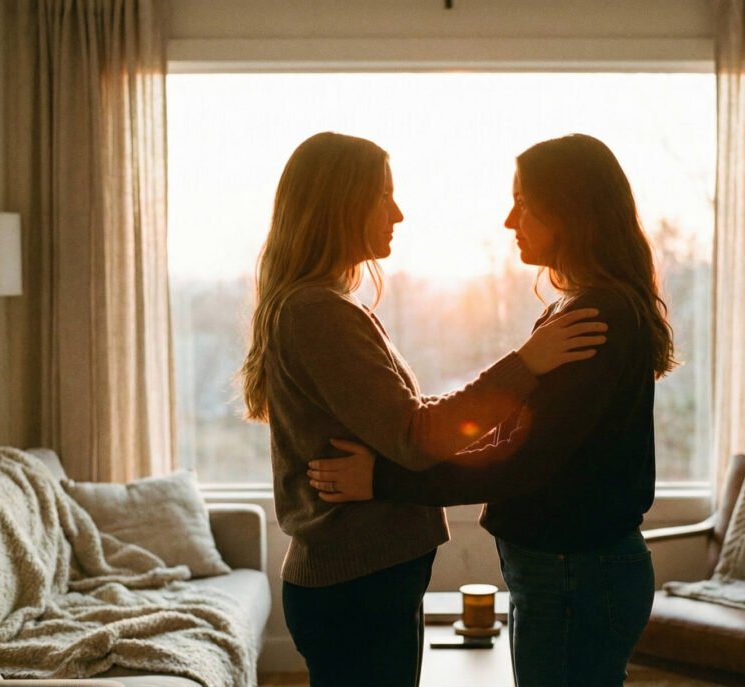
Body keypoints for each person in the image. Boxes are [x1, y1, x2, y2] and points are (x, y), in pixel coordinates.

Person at [239, 131, 608, 687]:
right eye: (383, 195)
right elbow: (415, 435)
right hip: (357, 586)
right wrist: (525, 364)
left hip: (364, 582)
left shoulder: (325, 307)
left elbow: (402, 423)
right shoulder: (318, 312)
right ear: (340, 204)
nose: (399, 213)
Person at [307, 133, 675, 687]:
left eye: (523, 201)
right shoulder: (577, 307)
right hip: (566, 570)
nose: (509, 220)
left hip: (575, 572)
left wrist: (384, 479)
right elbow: (513, 439)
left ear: (569, 208)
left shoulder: (598, 314)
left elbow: (523, 462)